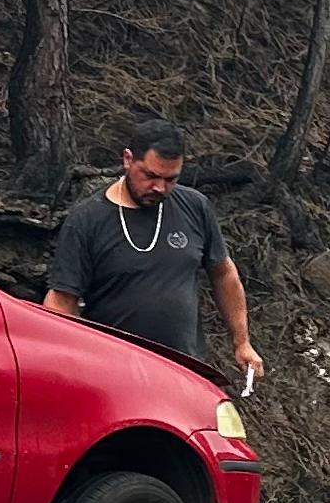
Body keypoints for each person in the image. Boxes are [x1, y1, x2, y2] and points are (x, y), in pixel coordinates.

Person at [46, 117, 263, 391]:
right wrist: (61, 363)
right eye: (150, 176)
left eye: (170, 179)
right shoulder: (87, 219)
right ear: (127, 159)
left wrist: (241, 341)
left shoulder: (195, 207)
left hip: (185, 371)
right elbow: (62, 300)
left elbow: (223, 273)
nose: (160, 188)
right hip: (113, 376)